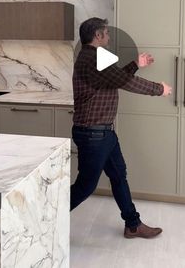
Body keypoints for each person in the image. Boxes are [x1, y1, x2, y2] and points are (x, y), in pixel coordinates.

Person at [70, 17, 172, 239]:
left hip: (103, 133)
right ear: (97, 35)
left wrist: (136, 64)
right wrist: (159, 89)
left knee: (118, 175)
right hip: (93, 134)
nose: (109, 36)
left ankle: (133, 225)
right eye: (106, 33)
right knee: (85, 187)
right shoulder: (92, 58)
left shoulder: (93, 58)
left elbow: (114, 79)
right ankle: (44, 216)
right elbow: (125, 82)